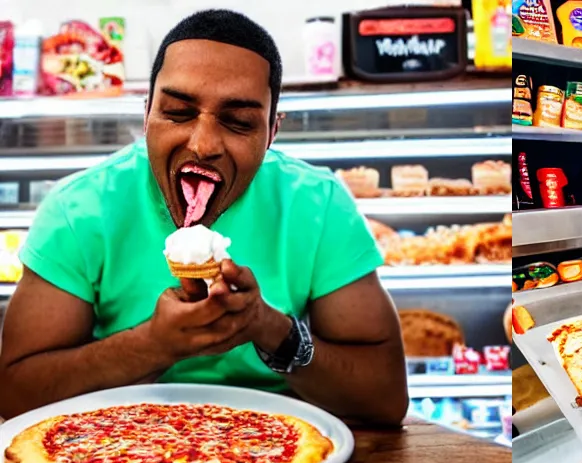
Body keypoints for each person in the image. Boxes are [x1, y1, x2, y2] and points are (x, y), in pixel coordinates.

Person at [0, 9, 406, 425]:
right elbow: (16, 394)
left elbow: (386, 397)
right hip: (111, 454)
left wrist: (269, 328)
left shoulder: (318, 206)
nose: (203, 144)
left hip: (280, 454)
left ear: (272, 132)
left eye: (239, 121)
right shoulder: (79, 210)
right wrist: (153, 345)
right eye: (177, 112)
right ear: (146, 114)